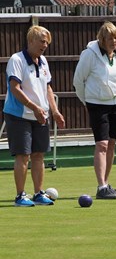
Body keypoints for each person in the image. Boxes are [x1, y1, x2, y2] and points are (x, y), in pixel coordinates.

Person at [3, 25, 65, 207]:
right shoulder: (17, 60)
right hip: (18, 115)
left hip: (40, 116)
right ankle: (20, 196)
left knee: (38, 155)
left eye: (47, 42)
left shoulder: (44, 61)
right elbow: (15, 89)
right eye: (42, 41)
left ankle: (38, 193)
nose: (45, 45)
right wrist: (34, 107)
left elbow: (47, 88)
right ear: (31, 40)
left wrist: (54, 111)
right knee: (23, 155)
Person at [73, 21, 116, 200]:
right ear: (101, 39)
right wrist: (87, 101)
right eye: (109, 38)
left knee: (112, 143)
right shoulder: (89, 55)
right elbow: (78, 80)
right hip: (96, 104)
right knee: (102, 144)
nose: (114, 41)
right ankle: (101, 187)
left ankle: (106, 184)